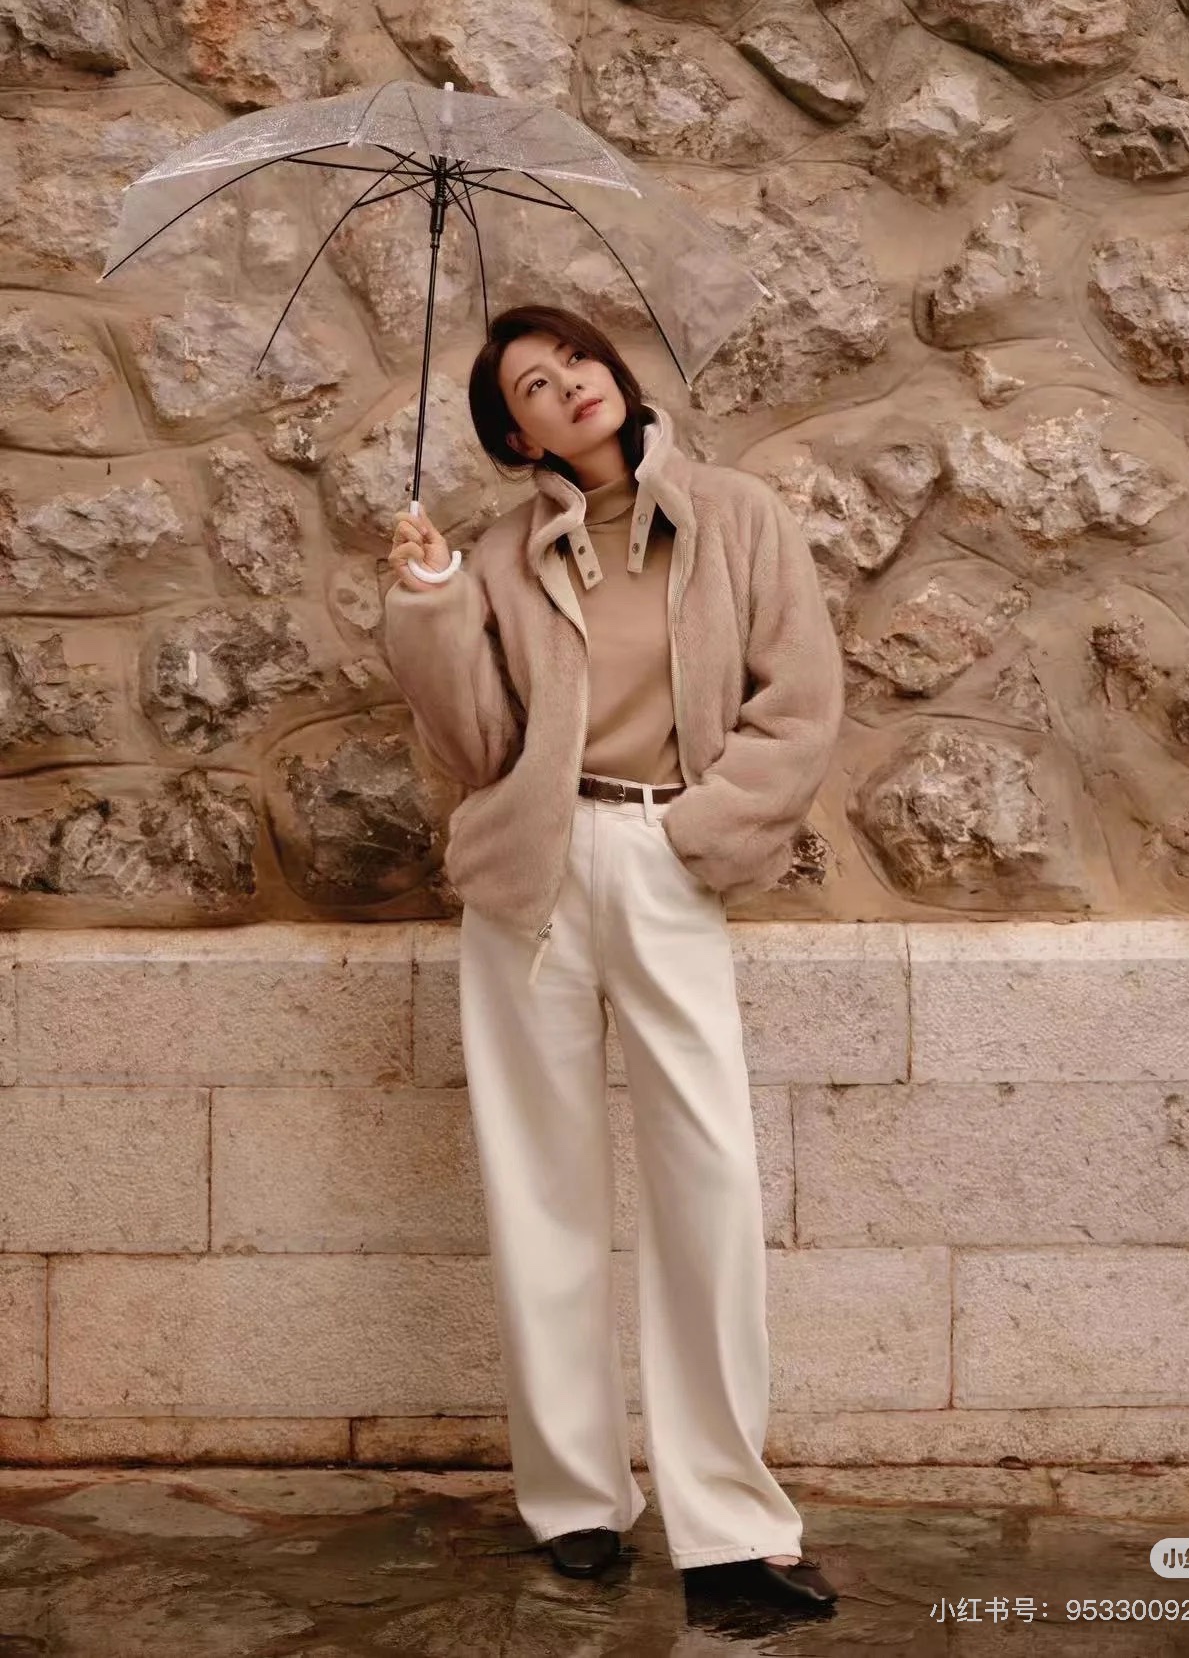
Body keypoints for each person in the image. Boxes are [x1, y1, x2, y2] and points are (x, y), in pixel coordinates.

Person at [380, 303, 845, 1611]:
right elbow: (479, 744)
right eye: (533, 384)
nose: (569, 384)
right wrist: (430, 604)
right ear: (517, 436)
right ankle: (578, 1499)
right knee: (542, 1188)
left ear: (613, 372)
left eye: (576, 359)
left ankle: (731, 1528)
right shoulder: (499, 553)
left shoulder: (737, 516)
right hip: (530, 875)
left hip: (665, 856)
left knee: (709, 1183)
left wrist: (703, 833)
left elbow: (800, 702)